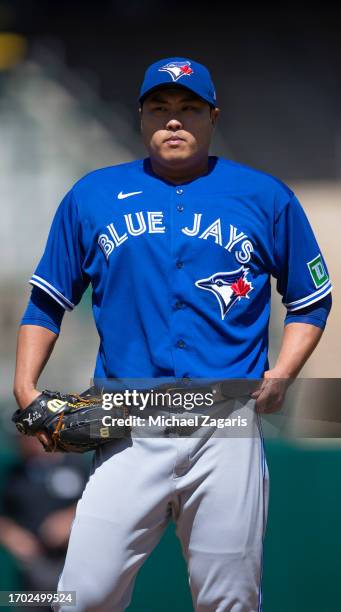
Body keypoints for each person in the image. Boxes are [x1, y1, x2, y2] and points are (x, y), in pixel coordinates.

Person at [13, 57, 332, 611]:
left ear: (212, 116)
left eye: (188, 109)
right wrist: (25, 387)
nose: (174, 121)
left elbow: (311, 299)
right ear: (142, 117)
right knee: (80, 596)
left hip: (224, 420)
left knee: (227, 600)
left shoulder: (264, 196)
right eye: (160, 109)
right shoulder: (94, 195)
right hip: (127, 420)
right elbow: (46, 303)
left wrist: (282, 374)